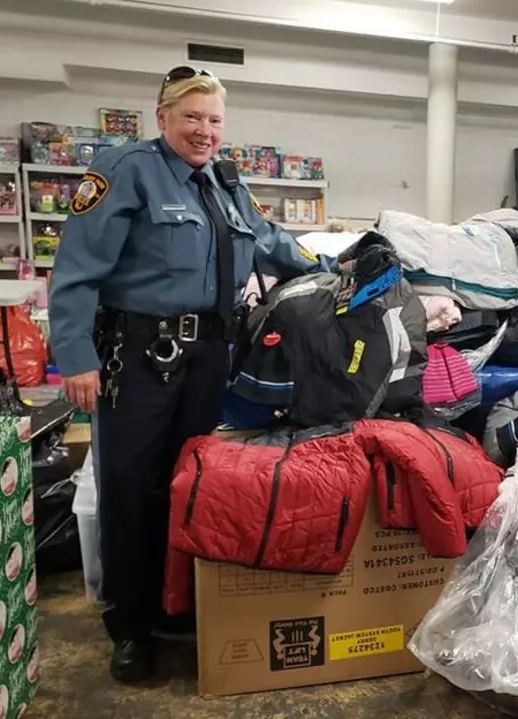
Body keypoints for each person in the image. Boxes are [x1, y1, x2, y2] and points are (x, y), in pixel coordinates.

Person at [48, 66, 331, 682]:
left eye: (214, 120)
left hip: (207, 357)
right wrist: (75, 356)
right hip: (139, 355)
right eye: (192, 118)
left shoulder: (225, 182)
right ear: (163, 117)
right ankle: (129, 625)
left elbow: (269, 241)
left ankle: (176, 604)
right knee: (129, 488)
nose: (204, 131)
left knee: (189, 484)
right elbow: (76, 269)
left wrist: (333, 266)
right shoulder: (128, 172)